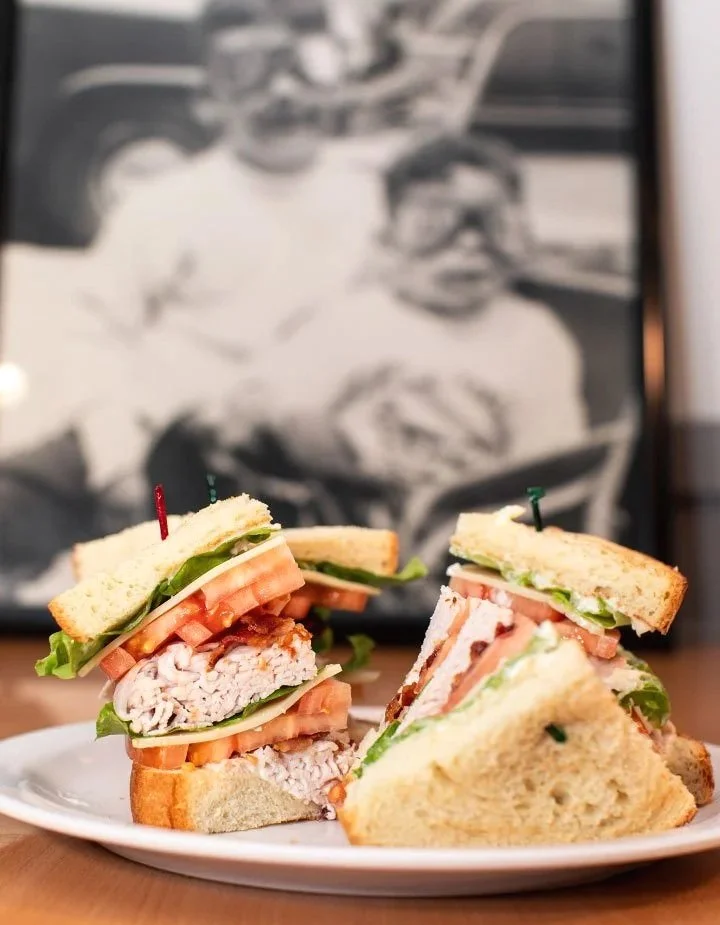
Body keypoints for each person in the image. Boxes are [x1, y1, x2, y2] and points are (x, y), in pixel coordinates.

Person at [204, 132, 589, 578]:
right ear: (387, 239)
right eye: (432, 226)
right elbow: (260, 409)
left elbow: (545, 478)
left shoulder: (534, 336)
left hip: (471, 552)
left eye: (491, 226)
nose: (467, 246)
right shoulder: (348, 321)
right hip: (346, 544)